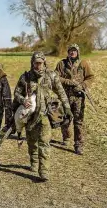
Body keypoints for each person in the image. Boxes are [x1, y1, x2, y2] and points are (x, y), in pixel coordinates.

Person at [12, 51, 72, 181]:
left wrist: (67, 107)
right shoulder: (26, 77)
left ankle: (44, 170)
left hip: (45, 115)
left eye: (40, 63)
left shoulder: (51, 76)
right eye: (35, 63)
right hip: (30, 115)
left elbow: (61, 92)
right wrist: (23, 100)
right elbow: (16, 94)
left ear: (44, 62)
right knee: (32, 142)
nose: (38, 66)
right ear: (32, 63)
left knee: (44, 142)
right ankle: (33, 161)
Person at [54, 43, 94, 155]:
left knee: (78, 122)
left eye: (74, 51)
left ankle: (78, 145)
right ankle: (66, 137)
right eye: (70, 50)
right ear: (68, 52)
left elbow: (91, 77)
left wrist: (83, 85)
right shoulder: (62, 64)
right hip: (65, 97)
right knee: (65, 120)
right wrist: (67, 82)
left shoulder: (83, 64)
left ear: (78, 52)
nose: (72, 52)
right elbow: (55, 77)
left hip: (78, 98)